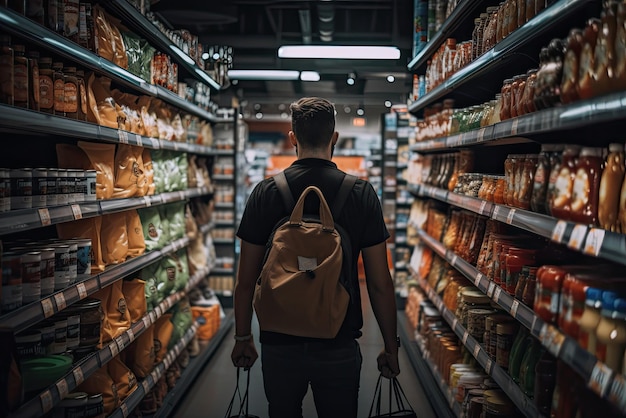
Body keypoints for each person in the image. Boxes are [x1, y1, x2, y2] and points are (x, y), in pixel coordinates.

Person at [231, 96, 400, 418]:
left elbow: (245, 280)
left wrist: (243, 337)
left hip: (279, 339)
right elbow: (380, 283)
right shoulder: (361, 193)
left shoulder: (265, 192)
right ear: (334, 137)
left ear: (292, 137)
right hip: (338, 339)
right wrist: (391, 347)